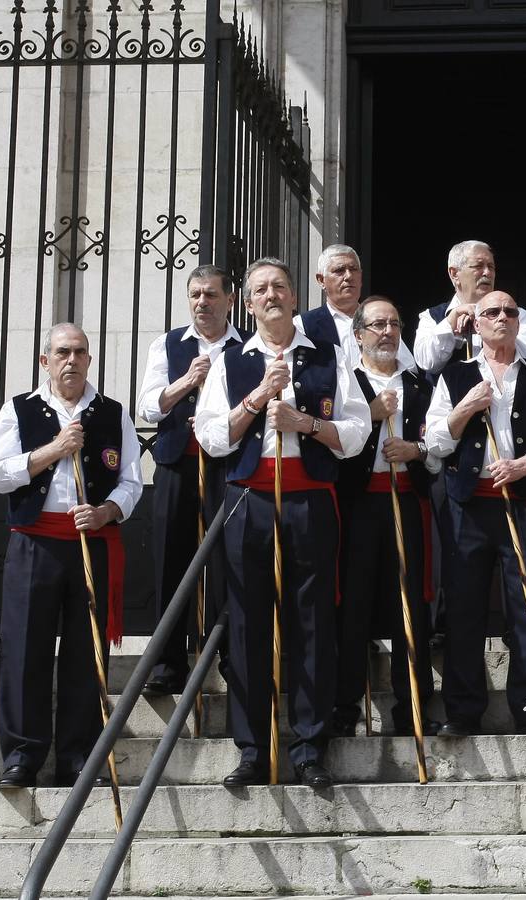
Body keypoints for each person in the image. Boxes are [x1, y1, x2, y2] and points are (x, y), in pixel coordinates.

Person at [195, 257, 371, 787]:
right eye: (260, 290)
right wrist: (254, 399)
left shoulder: (330, 356)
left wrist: (305, 423)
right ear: (248, 305)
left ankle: (309, 748)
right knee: (247, 624)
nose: (271, 295)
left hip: (310, 502)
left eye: (279, 287)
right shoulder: (230, 363)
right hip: (248, 503)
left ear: (296, 298)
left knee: (313, 622)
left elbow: (357, 432)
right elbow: (210, 437)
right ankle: (252, 749)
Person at [0, 323, 143, 788]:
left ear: (90, 360)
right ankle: (22, 756)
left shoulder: (113, 413)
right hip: (34, 542)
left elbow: (132, 482)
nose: (71, 360)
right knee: (24, 650)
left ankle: (78, 756)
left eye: (79, 352)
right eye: (62, 352)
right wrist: (53, 450)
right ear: (45, 361)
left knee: (85, 652)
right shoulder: (20, 410)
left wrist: (105, 513)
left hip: (90, 542)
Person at [424, 290, 526, 735]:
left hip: (522, 499)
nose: (502, 317)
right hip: (469, 504)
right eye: (491, 312)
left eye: (510, 311)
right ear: (476, 323)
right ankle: (463, 710)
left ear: (520, 321)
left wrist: (524, 464)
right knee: (464, 606)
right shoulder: (455, 374)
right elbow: (436, 442)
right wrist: (467, 407)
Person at [137, 265, 246, 697]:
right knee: (171, 558)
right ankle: (167, 662)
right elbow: (147, 407)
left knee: (229, 559)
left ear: (231, 299)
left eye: (211, 295)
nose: (202, 303)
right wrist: (187, 381)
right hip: (179, 464)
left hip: (230, 465)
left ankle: (231, 655)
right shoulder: (168, 345)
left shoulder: (246, 347)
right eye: (196, 295)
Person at [331, 296, 438, 737]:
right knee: (352, 604)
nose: (387, 332)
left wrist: (416, 451)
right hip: (358, 504)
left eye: (394, 324)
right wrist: (373, 418)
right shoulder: (345, 381)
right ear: (358, 335)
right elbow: (332, 441)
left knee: (409, 604)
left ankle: (411, 706)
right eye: (377, 324)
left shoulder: (420, 383)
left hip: (405, 499)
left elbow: (440, 440)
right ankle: (345, 706)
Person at [413, 240, 526, 376]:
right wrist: (451, 324)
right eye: (478, 266)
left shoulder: (515, 315)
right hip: (454, 397)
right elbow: (426, 363)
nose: (487, 273)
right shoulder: (432, 316)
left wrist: (498, 333)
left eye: (491, 267)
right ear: (454, 274)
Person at [298, 243, 415, 370]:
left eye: (353, 269)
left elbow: (408, 369)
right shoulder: (304, 325)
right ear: (321, 280)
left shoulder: (383, 321)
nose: (348, 276)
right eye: (339, 270)